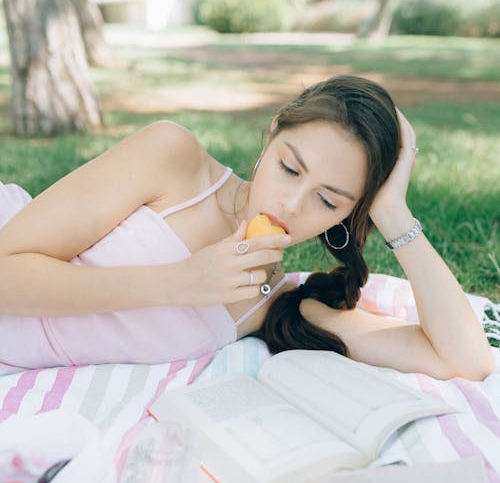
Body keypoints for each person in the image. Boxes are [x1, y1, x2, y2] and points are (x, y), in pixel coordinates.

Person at [0, 75, 493, 379]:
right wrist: (177, 283)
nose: (291, 203)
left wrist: (391, 212)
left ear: (346, 216)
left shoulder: (270, 304)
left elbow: (465, 360)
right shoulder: (173, 161)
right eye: (289, 168)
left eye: (327, 200)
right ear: (273, 131)